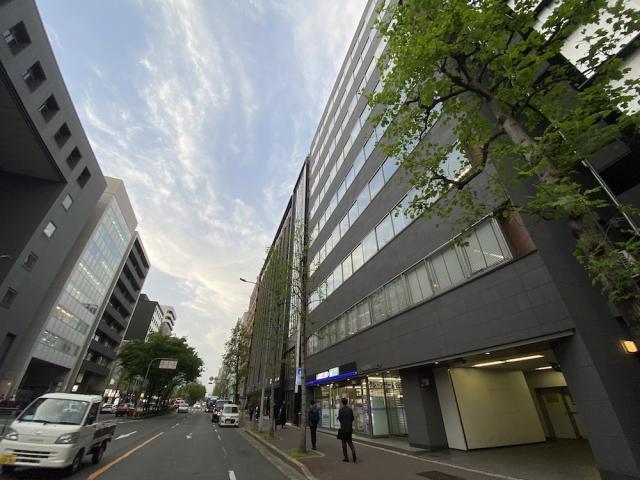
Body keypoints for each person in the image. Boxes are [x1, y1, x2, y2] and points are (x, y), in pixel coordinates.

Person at [337, 398, 357, 463]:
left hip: (343, 428)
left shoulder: (341, 410)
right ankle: (353, 451)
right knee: (350, 441)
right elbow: (352, 418)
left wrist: (343, 422)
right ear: (347, 402)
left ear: (342, 403)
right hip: (349, 428)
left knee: (344, 443)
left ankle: (346, 457)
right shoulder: (350, 409)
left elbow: (340, 418)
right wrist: (349, 422)